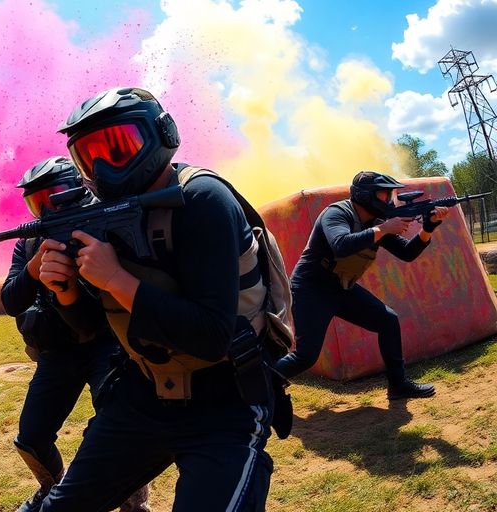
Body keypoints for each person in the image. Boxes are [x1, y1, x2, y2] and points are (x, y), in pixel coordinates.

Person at [37, 87, 276, 511]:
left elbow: (212, 337)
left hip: (225, 400)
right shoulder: (102, 211)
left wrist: (115, 278)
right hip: (141, 393)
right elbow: (91, 327)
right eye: (87, 155)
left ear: (160, 134)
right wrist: (66, 291)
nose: (102, 167)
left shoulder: (202, 199)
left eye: (118, 147)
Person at [3, 156, 150, 512]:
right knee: (31, 437)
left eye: (52, 198)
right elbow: (11, 299)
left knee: (117, 430)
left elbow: (93, 318)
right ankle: (50, 488)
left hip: (107, 345)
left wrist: (76, 278)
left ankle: (134, 501)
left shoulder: (106, 228)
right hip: (58, 352)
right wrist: (35, 270)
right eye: (36, 203)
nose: (45, 210)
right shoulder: (29, 244)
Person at [273, 171, 449, 399]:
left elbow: (407, 253)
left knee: (388, 321)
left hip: (342, 287)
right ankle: (257, 388)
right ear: (366, 196)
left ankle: (398, 386)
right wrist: (384, 229)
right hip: (311, 288)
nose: (389, 200)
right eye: (384, 194)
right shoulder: (337, 213)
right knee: (306, 356)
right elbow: (341, 244)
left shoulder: (376, 222)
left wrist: (428, 228)